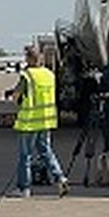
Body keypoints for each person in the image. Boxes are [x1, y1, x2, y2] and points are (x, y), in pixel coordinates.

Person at [11, 46, 69, 198]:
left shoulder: (27, 76)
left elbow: (16, 95)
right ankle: (60, 178)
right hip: (46, 120)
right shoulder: (49, 75)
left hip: (30, 122)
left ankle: (24, 188)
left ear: (29, 59)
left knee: (25, 156)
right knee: (46, 152)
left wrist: (15, 99)